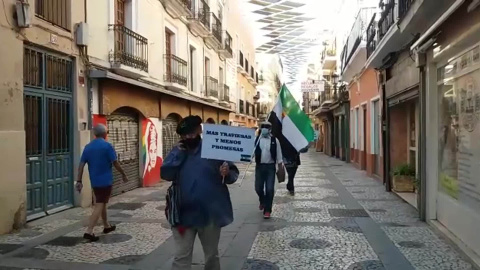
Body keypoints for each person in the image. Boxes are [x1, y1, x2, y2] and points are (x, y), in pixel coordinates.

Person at [161, 115, 239, 270]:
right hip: (183, 215)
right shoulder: (177, 151)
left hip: (210, 214)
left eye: (191, 133)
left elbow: (232, 175)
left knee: (211, 255)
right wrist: (178, 155)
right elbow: (165, 174)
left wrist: (226, 172)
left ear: (199, 130)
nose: (188, 137)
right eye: (184, 135)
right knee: (181, 256)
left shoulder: (215, 147)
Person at [76, 124, 128, 242]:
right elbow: (115, 163)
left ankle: (106, 226)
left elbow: (81, 165)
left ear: (95, 134)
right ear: (105, 133)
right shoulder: (107, 146)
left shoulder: (88, 147)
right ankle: (89, 231)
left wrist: (79, 180)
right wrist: (123, 174)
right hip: (105, 181)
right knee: (100, 204)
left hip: (94, 181)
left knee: (102, 202)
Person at [254, 122, 283, 219]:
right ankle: (262, 200)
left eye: (267, 127)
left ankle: (267, 210)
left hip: (270, 167)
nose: (265, 129)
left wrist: (280, 166)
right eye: (263, 127)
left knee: (270, 189)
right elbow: (251, 152)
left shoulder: (275, 140)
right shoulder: (257, 140)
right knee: (258, 188)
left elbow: (279, 155)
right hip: (259, 167)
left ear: (270, 129)